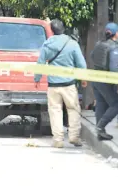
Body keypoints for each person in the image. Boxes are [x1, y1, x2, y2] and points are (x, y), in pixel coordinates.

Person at [34, 19, 87, 148]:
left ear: (51, 31)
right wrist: (84, 78)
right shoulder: (72, 44)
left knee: (55, 111)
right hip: (69, 84)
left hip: (53, 85)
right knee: (73, 109)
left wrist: (37, 78)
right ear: (63, 28)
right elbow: (81, 64)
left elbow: (40, 64)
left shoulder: (47, 44)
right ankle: (74, 137)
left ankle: (58, 139)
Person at [91, 23, 118, 141]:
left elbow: (92, 56)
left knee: (101, 104)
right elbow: (114, 68)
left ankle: (100, 132)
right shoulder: (114, 47)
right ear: (116, 34)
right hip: (105, 81)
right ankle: (100, 127)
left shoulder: (99, 44)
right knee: (117, 104)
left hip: (95, 78)